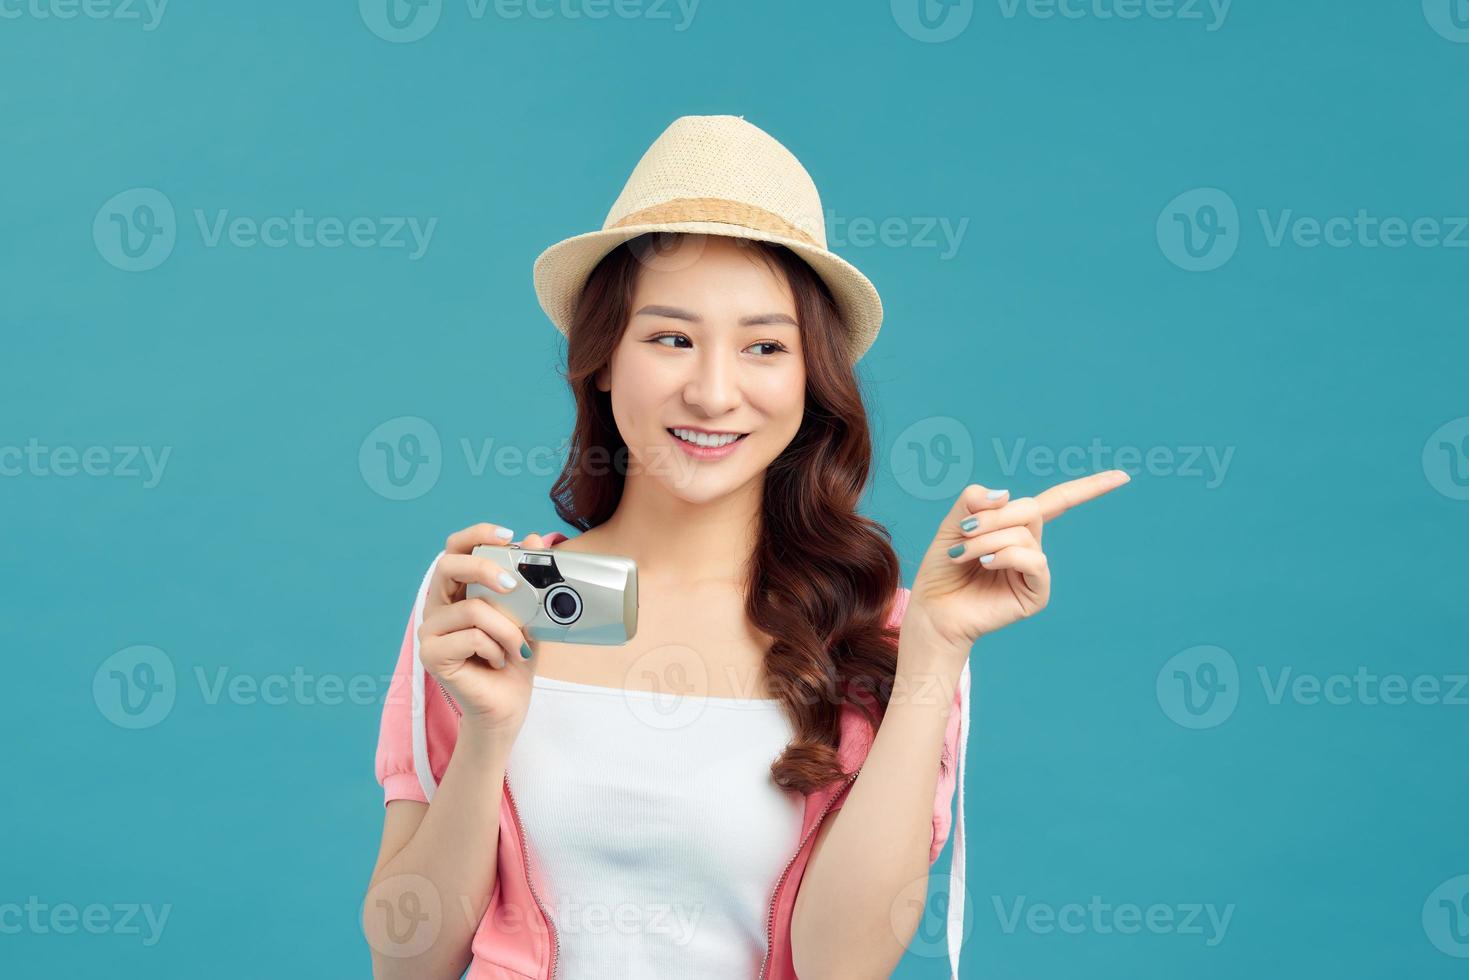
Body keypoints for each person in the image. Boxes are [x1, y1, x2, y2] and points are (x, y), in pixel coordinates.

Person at [363, 114, 1128, 980]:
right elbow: (405, 961)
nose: (713, 390)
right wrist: (487, 737)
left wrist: (935, 655)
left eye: (765, 346)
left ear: (812, 380)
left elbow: (842, 966)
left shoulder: (881, 634)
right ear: (602, 357)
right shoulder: (492, 598)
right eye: (670, 338)